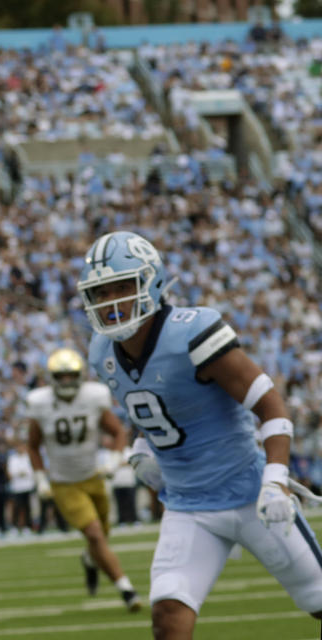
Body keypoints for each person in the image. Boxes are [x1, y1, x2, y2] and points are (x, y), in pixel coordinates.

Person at [77, 230, 322, 638]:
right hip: (188, 506)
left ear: (151, 282)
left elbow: (270, 405)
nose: (112, 302)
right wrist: (142, 444)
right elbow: (157, 400)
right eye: (101, 292)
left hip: (250, 495)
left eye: (122, 286)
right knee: (169, 617)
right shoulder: (101, 353)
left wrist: (275, 480)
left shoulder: (192, 333)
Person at [25, 347, 141, 612]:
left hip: (93, 477)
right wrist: (41, 479)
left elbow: (118, 432)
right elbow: (32, 445)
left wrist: (113, 459)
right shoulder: (40, 403)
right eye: (61, 376)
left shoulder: (93, 397)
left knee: (101, 538)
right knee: (95, 534)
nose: (66, 381)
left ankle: (90, 560)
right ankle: (127, 590)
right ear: (52, 378)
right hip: (64, 484)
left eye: (71, 375)